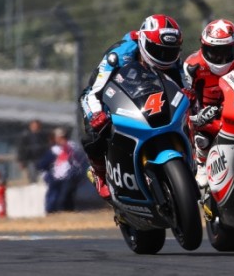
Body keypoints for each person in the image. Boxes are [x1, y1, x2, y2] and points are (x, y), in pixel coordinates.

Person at [79, 14, 185, 200]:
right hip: (113, 99)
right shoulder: (119, 55)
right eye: (157, 50)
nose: (164, 57)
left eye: (170, 51)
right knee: (94, 130)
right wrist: (96, 114)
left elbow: (185, 87)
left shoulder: (173, 61)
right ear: (143, 42)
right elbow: (92, 92)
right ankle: (99, 172)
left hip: (152, 100)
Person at [183, 18, 234, 187]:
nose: (220, 58)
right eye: (214, 52)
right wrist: (195, 116)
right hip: (205, 116)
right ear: (203, 47)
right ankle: (201, 163)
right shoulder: (192, 66)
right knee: (201, 138)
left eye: (226, 51)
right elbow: (184, 98)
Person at [36, 127, 88, 214]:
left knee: (65, 197)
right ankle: (52, 212)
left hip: (70, 176)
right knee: (54, 196)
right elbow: (42, 165)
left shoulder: (71, 147)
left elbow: (79, 160)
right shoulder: (54, 150)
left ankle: (64, 211)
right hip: (56, 177)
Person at [16, 119, 50, 184]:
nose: (35, 128)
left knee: (43, 176)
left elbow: (47, 147)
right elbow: (21, 149)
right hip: (30, 159)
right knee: (32, 176)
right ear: (30, 126)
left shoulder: (43, 136)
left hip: (41, 159)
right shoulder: (25, 136)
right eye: (34, 126)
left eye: (37, 126)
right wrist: (21, 161)